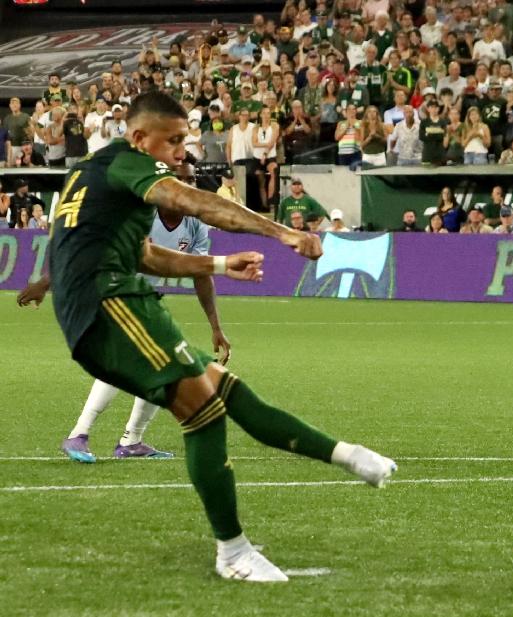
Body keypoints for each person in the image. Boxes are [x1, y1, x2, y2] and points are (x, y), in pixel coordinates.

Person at [25, 91, 395, 581]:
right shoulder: (132, 165)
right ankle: (233, 552)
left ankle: (350, 457)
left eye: (186, 139)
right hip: (106, 305)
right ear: (139, 138)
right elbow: (189, 201)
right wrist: (281, 232)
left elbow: (146, 256)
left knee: (226, 389)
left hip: (118, 297)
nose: (182, 150)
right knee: (203, 410)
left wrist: (220, 264)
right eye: (172, 140)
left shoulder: (101, 171)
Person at [21, 162, 225, 461]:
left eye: (191, 180)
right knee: (125, 363)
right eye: (180, 179)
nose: (187, 185)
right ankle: (80, 434)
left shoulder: (195, 225)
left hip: (144, 299)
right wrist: (46, 282)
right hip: (111, 290)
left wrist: (216, 326)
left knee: (166, 367)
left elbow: (201, 274)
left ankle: (129, 441)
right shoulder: (140, 212)